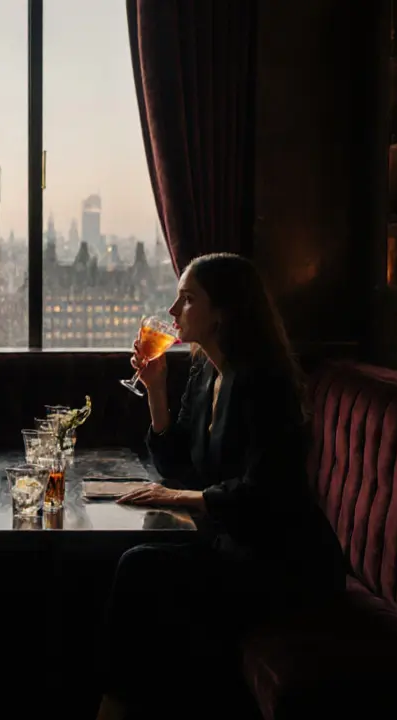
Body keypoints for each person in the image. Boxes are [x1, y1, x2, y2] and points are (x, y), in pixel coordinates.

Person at [96, 253, 347, 720]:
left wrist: (178, 499)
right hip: (236, 549)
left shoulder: (266, 384)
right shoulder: (205, 372)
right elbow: (177, 465)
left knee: (139, 567)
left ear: (224, 311)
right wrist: (155, 391)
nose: (172, 312)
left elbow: (265, 494)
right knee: (133, 566)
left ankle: (115, 707)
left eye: (187, 299)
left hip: (287, 566)